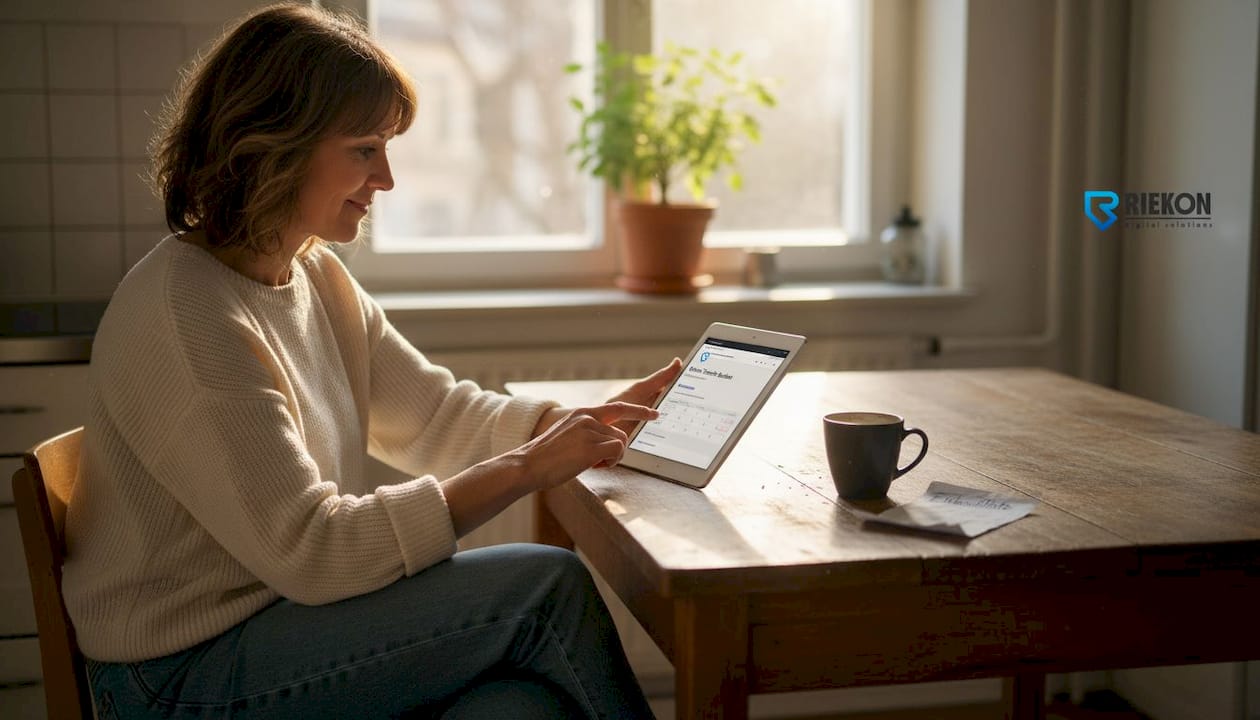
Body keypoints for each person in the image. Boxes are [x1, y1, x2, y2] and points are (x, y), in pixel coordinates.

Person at [62, 4, 679, 718]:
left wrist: (574, 423)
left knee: (517, 708)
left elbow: (433, 416)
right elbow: (316, 551)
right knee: (545, 588)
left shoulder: (310, 273)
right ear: (275, 145)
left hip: (273, 625)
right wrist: (526, 468)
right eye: (364, 148)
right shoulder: (189, 312)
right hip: (171, 680)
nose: (385, 178)